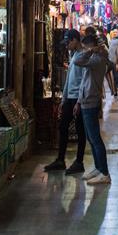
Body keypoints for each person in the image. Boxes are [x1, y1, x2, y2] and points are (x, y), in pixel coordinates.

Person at [44, 30, 86, 174]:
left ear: (75, 40)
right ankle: (60, 159)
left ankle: (79, 162)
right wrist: (64, 98)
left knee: (81, 130)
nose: (66, 45)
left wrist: (79, 102)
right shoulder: (74, 55)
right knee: (63, 127)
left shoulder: (83, 56)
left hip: (78, 99)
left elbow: (84, 81)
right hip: (70, 98)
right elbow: (69, 79)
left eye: (68, 42)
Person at [71, 35, 111, 184]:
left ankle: (104, 172)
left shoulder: (97, 59)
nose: (84, 50)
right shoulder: (94, 58)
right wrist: (79, 102)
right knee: (91, 138)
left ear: (91, 46)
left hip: (91, 100)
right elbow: (84, 80)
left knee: (95, 138)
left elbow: (77, 61)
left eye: (85, 47)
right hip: (86, 100)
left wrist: (91, 51)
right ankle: (98, 167)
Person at [108, 29, 118, 97]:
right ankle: (114, 90)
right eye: (114, 32)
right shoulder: (111, 40)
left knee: (117, 75)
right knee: (113, 76)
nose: (115, 33)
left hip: (117, 61)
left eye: (116, 32)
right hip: (111, 61)